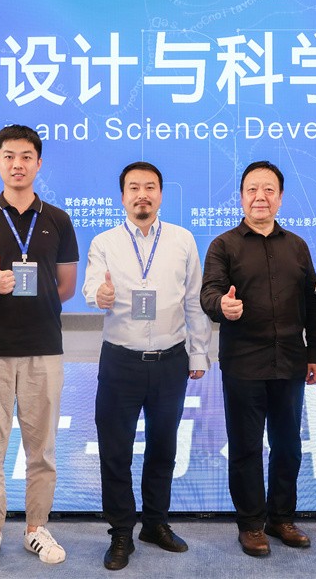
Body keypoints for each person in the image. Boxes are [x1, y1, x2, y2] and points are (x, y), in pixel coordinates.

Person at [0, 125, 78, 571]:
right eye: (9, 156)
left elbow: (66, 287)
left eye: (26, 156)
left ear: (38, 163)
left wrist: (34, 303)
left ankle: (36, 528)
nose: (18, 164)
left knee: (42, 450)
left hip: (44, 348)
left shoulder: (58, 219)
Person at [82, 162, 211, 571]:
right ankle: (121, 532)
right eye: (134, 187)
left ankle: (155, 523)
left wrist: (199, 352)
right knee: (115, 451)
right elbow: (91, 286)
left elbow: (194, 301)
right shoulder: (104, 241)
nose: (143, 194)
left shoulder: (182, 239)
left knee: (163, 447)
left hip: (171, 360)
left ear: (160, 194)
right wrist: (99, 295)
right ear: (123, 196)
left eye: (150, 187)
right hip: (120, 361)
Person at [200, 161, 316, 557]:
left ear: (280, 197)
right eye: (252, 189)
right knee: (246, 448)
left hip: (289, 361)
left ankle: (281, 518)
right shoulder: (223, 245)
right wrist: (222, 305)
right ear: (241, 197)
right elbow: (209, 293)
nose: (260, 197)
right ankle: (251, 524)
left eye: (269, 189)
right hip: (243, 363)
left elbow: (313, 304)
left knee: (288, 446)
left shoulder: (297, 246)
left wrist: (315, 352)